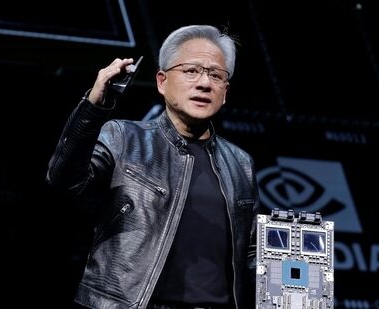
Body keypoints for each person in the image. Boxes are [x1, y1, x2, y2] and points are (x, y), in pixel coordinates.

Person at [46, 24, 259, 309]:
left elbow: (252, 252)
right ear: (162, 81)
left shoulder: (241, 163)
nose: (204, 83)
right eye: (191, 70)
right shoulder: (124, 137)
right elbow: (64, 180)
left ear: (225, 91)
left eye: (216, 75)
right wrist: (94, 106)